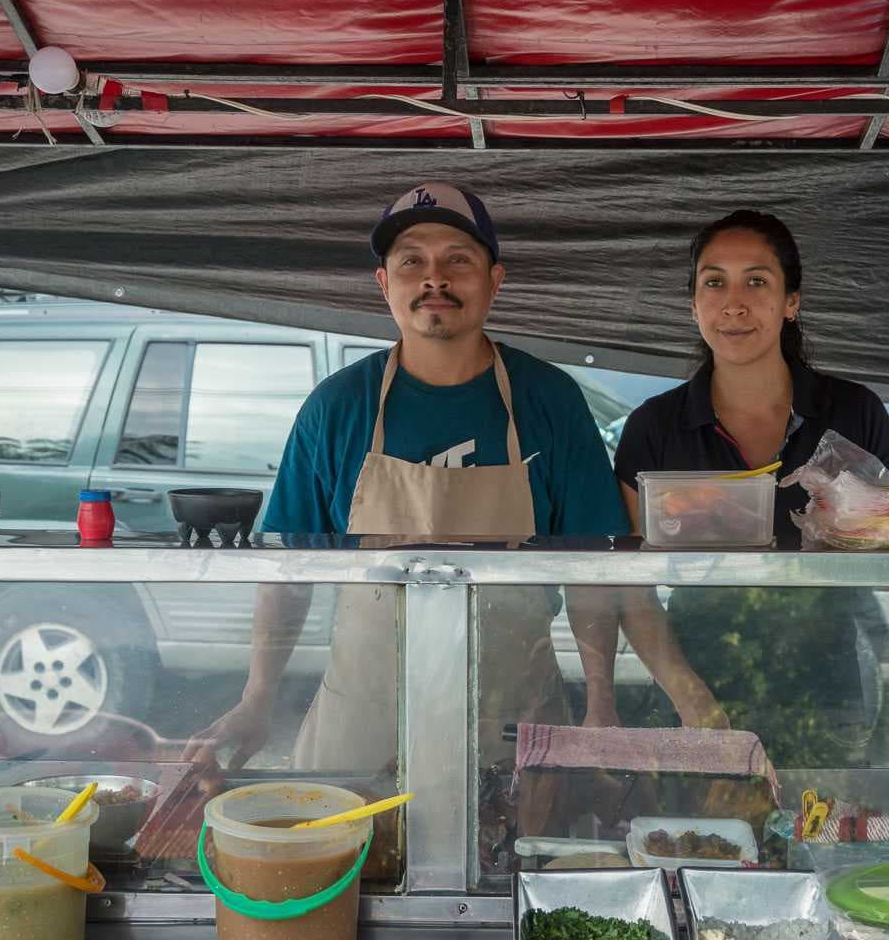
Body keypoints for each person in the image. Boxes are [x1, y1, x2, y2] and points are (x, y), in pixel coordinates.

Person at [183, 182, 721, 776]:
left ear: (494, 280)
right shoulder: (335, 407)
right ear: (385, 284)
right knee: (351, 855)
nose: (434, 278)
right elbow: (288, 574)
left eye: (458, 261)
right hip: (365, 714)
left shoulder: (550, 400)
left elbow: (593, 568)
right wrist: (257, 699)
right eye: (412, 261)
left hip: (515, 714)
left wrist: (600, 703)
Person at [600, 209, 889, 773]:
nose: (733, 303)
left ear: (792, 300)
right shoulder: (653, 429)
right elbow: (630, 589)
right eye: (713, 282)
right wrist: (692, 701)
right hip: (700, 682)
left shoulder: (854, 413)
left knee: (838, 840)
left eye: (757, 281)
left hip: (835, 688)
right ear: (693, 304)